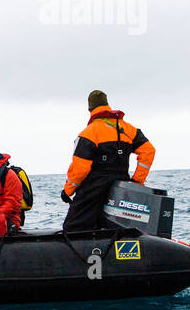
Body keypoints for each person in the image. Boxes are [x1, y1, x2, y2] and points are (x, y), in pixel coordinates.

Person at [61, 90, 156, 231]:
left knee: (72, 227)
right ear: (107, 105)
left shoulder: (89, 133)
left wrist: (67, 191)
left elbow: (80, 169)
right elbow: (148, 151)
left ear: (90, 109)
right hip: (120, 187)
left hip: (94, 188)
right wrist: (136, 182)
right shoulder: (129, 129)